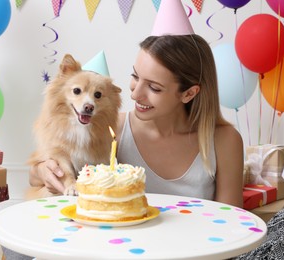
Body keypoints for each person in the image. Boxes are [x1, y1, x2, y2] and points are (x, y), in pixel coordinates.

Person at [29, 34, 244, 208]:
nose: (134, 94)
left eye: (154, 87)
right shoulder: (112, 130)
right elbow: (39, 174)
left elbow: (230, 220)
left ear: (188, 94)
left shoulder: (223, 140)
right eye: (135, 77)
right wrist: (43, 171)